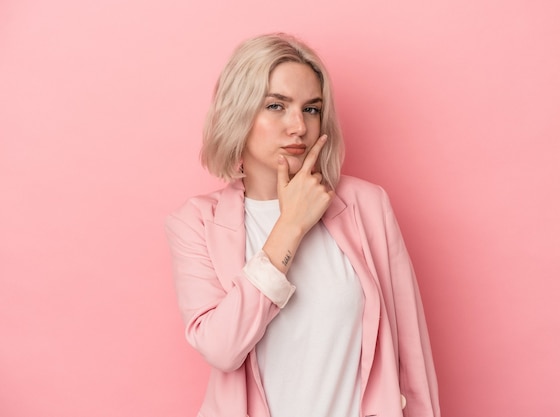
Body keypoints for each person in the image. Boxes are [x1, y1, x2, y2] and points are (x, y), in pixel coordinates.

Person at [165, 32, 440, 417]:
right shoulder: (195, 223)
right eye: (276, 105)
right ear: (238, 112)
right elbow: (222, 349)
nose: (298, 126)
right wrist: (290, 225)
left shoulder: (366, 206)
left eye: (311, 109)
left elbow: (411, 356)